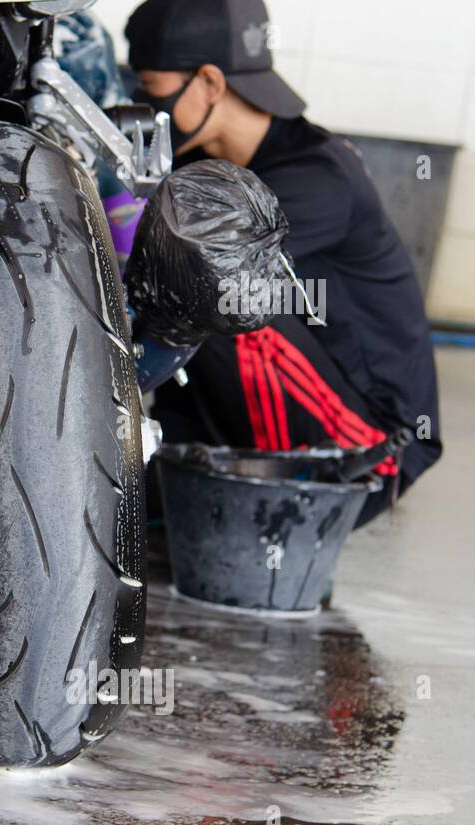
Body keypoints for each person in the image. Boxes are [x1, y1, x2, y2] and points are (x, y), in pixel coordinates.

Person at [125, 0, 441, 524]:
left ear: (209, 82)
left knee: (211, 283)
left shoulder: (320, 177)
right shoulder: (209, 169)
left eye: (151, 86)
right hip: (317, 410)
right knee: (199, 282)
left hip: (371, 450)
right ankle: (174, 484)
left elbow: (187, 276)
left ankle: (277, 494)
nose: (140, 102)